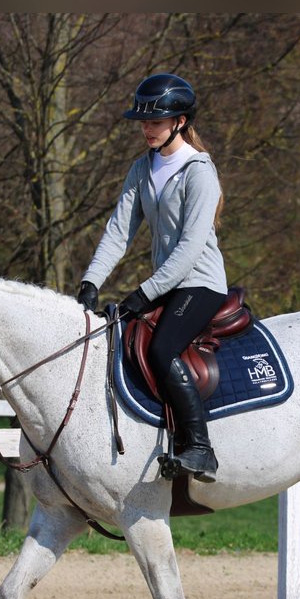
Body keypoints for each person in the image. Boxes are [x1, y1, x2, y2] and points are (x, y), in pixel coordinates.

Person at [75, 73, 228, 483]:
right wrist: (91, 282)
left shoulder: (199, 173)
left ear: (179, 121)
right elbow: (118, 231)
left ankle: (199, 448)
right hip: (167, 284)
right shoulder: (142, 168)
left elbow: (190, 250)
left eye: (155, 121)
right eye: (143, 122)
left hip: (200, 283)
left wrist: (144, 293)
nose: (147, 128)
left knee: (162, 350)